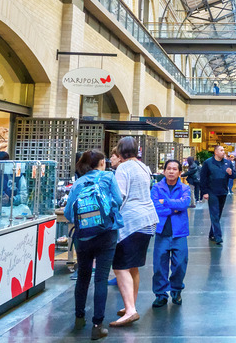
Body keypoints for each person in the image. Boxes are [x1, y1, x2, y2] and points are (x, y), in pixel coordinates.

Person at [64, 150, 123, 340]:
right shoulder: (108, 177)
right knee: (101, 278)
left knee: (83, 276)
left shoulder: (78, 183)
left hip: (83, 237)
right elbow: (119, 200)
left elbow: (67, 212)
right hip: (107, 234)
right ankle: (97, 325)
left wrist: (84, 223)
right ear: (101, 163)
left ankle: (79, 317)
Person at [111, 137, 159, 327]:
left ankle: (130, 310)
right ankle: (130, 305)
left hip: (132, 221)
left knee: (120, 266)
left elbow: (119, 195)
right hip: (148, 220)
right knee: (133, 266)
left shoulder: (123, 168)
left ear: (121, 152)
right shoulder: (143, 166)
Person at [150, 159, 190, 308]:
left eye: (175, 169)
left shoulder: (185, 188)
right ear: (164, 171)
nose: (171, 171)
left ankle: (176, 290)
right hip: (162, 232)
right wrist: (174, 207)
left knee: (180, 263)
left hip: (179, 233)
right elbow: (155, 207)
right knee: (159, 265)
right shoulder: (156, 188)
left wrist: (165, 202)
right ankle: (160, 295)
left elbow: (185, 203)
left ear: (180, 172)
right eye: (169, 168)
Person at [199, 146, 234, 245]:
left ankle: (212, 233)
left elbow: (233, 175)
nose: (223, 152)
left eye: (224, 150)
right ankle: (218, 236)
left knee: (218, 214)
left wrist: (231, 173)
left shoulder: (228, 163)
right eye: (221, 150)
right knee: (214, 213)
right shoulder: (208, 163)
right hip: (212, 191)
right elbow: (203, 178)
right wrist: (204, 192)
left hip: (223, 191)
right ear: (215, 152)